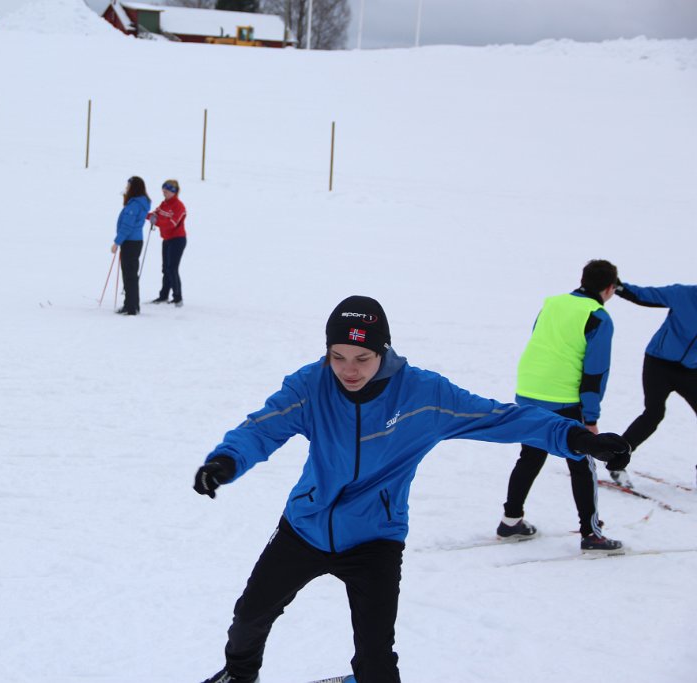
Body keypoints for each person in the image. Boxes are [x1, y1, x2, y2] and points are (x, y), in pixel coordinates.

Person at [194, 295, 630, 683]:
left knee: (377, 658)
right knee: (249, 617)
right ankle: (239, 675)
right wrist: (226, 462)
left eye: (362, 358)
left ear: (383, 351)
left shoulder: (423, 395)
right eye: (337, 356)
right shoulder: (311, 385)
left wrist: (577, 438)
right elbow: (262, 428)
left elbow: (501, 418)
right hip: (305, 526)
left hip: (375, 539)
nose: (348, 370)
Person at [497, 259, 623, 551]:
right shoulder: (598, 316)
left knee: (531, 455)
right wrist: (591, 419)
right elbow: (595, 372)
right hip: (563, 397)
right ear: (609, 288)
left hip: (529, 390)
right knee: (582, 463)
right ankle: (591, 534)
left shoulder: (553, 303)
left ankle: (510, 521)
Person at [608, 280, 697, 488]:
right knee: (653, 414)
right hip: (659, 364)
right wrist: (618, 286)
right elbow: (645, 295)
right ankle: (616, 460)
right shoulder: (684, 294)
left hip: (691, 371)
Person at [112, 176, 150, 316]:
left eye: (128, 186)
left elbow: (127, 226)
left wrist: (117, 242)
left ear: (134, 188)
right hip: (134, 241)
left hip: (130, 242)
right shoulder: (138, 202)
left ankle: (131, 307)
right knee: (130, 275)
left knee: (129, 275)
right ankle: (131, 304)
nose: (126, 188)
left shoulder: (134, 205)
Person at [147, 179, 187, 308]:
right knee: (165, 268)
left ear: (174, 192)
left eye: (166, 191)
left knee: (172, 268)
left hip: (178, 240)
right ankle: (163, 296)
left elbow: (171, 224)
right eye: (163, 191)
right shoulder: (164, 203)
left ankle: (178, 298)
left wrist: (156, 221)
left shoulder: (179, 206)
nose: (164, 193)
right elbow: (155, 214)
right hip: (167, 240)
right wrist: (146, 215)